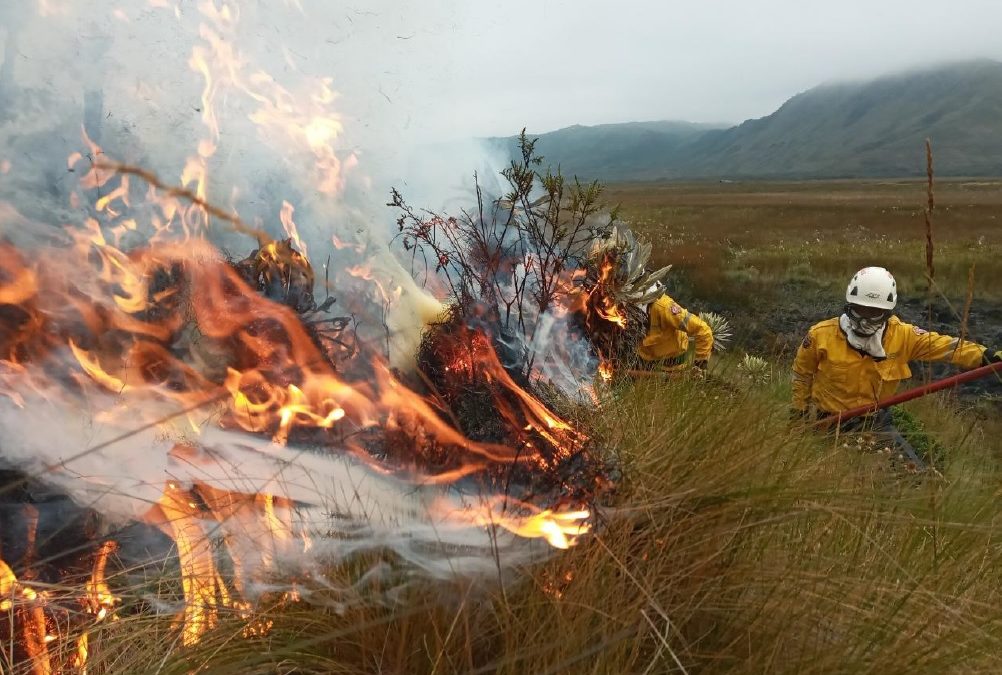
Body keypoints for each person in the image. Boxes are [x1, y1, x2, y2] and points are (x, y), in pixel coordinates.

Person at [791, 266, 1001, 467]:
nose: (865, 318)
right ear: (850, 304)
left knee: (911, 476)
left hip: (875, 425)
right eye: (860, 309)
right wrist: (798, 414)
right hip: (827, 425)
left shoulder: (904, 336)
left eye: (874, 312)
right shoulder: (820, 335)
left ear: (887, 311)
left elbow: (947, 346)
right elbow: (802, 374)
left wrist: (985, 356)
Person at [638, 292, 714, 372]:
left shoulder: (664, 307)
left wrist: (700, 365)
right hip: (642, 363)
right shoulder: (629, 307)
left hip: (672, 368)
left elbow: (703, 330)